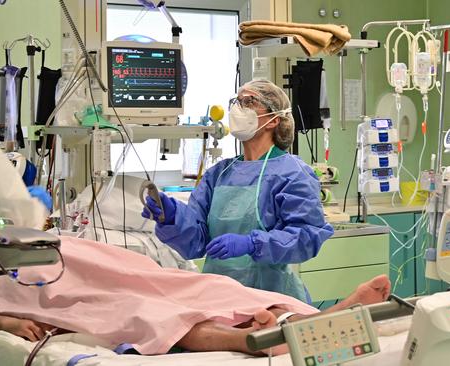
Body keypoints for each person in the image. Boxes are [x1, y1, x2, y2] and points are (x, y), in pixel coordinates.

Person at [0, 236, 391, 356]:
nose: (241, 106)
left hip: (81, 256)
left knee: (216, 288)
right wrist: (6, 320)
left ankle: (318, 319)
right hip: (53, 286)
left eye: (251, 101)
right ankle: (249, 339)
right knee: (146, 311)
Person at [142, 79, 334, 302]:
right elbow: (197, 241)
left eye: (249, 102)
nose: (238, 109)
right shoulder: (220, 174)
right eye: (236, 101)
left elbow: (306, 237)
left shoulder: (292, 173)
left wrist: (252, 244)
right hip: (219, 297)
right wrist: (173, 216)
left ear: (274, 119)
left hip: (272, 298)